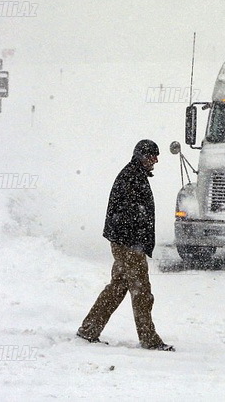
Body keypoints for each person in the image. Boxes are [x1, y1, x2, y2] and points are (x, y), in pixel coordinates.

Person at [77, 139, 174, 351]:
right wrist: (136, 241)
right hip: (129, 245)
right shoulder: (131, 177)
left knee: (118, 287)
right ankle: (149, 339)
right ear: (140, 156)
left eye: (156, 156)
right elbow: (128, 215)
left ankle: (89, 329)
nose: (155, 160)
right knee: (142, 292)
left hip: (125, 243)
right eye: (151, 156)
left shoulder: (134, 175)